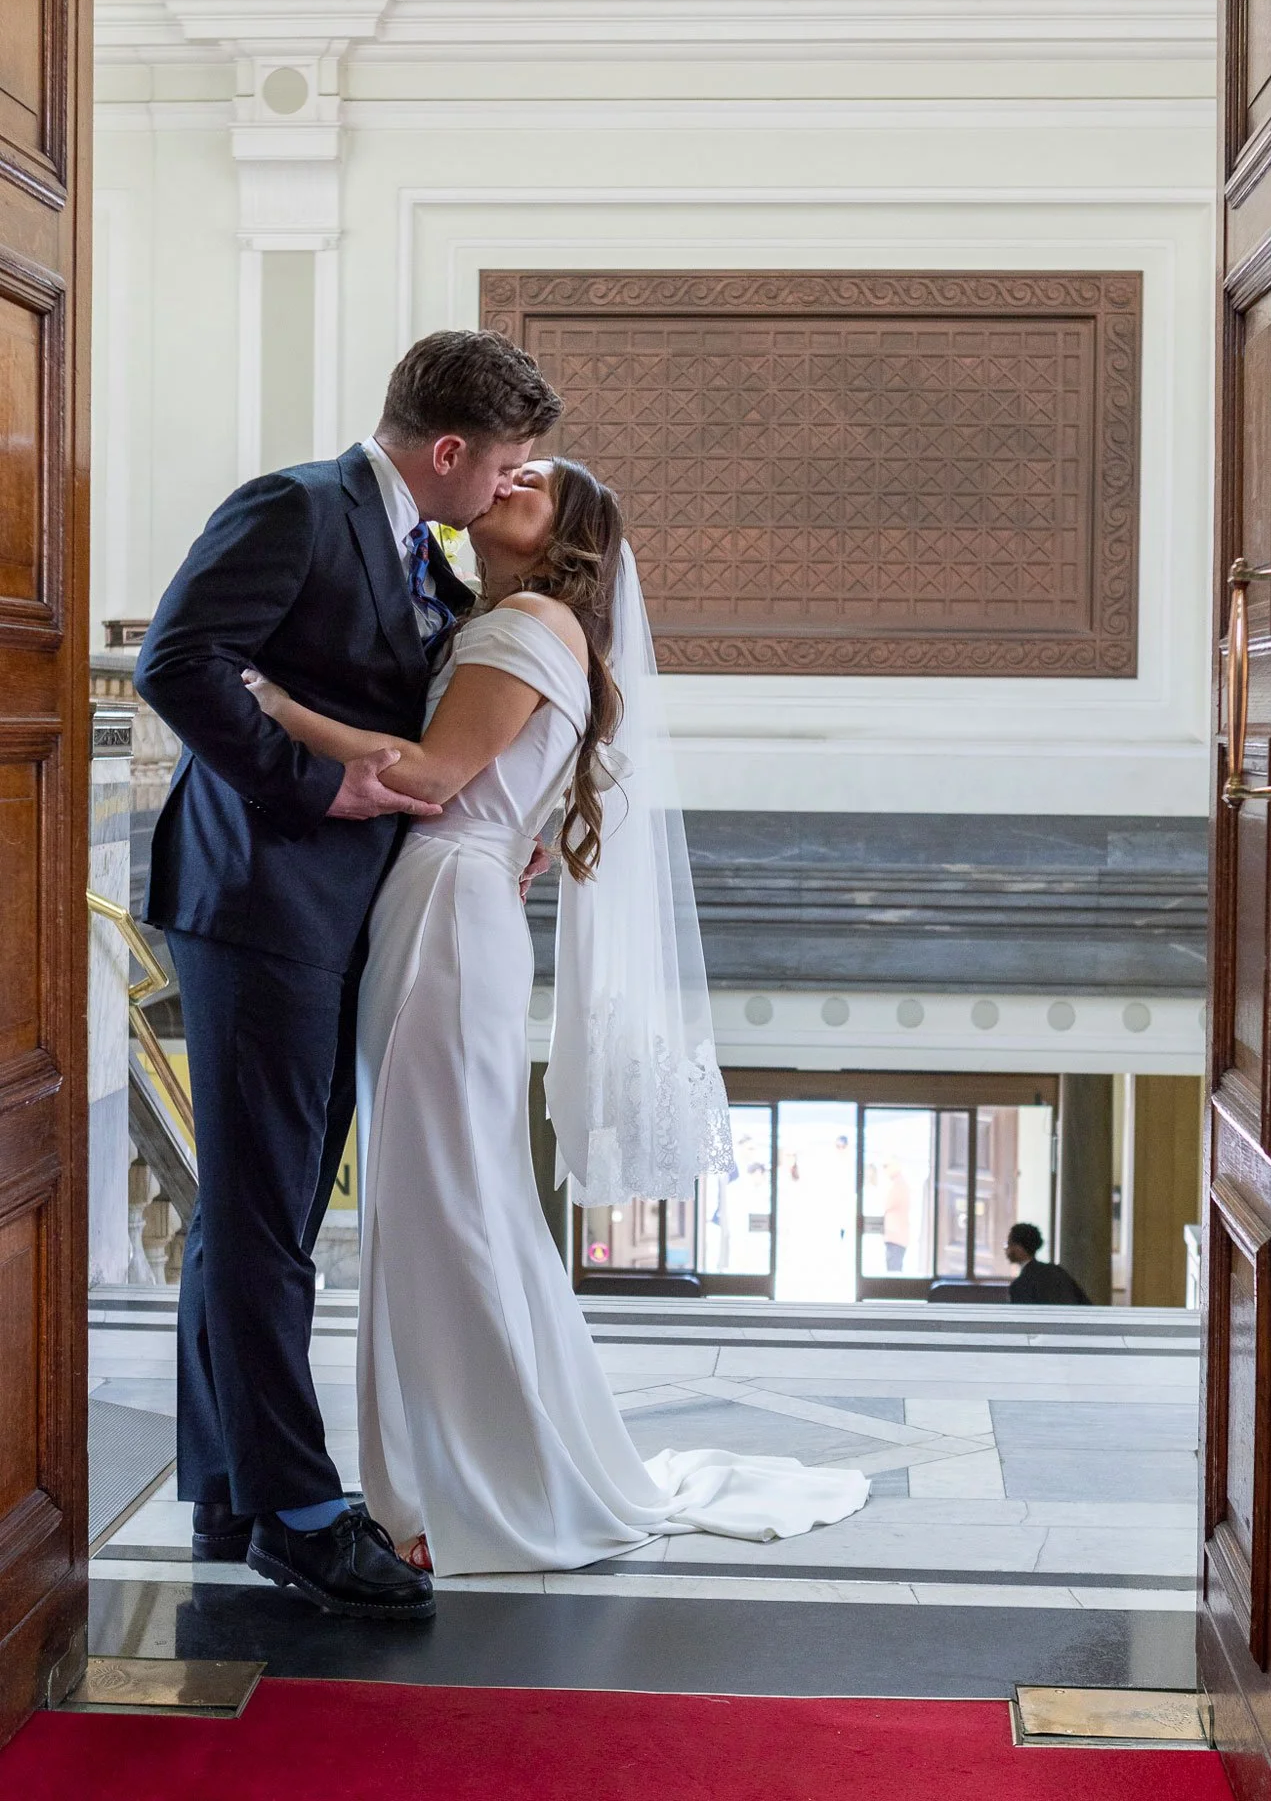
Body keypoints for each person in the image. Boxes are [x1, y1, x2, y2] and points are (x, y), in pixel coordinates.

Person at [247, 458, 871, 1575]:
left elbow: (432, 773)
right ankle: (469, 1466)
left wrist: (274, 704)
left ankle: (473, 1480)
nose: (512, 475)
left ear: (568, 531)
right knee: (454, 1193)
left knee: (441, 1201)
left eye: (537, 479)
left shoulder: (529, 620)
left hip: (444, 905)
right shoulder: (524, 622)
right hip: (455, 905)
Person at [133, 330, 561, 1618]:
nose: (506, 488)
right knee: (269, 1221)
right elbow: (175, 662)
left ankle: (226, 1483)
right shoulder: (296, 507)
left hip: (330, 911)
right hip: (258, 897)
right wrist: (320, 783)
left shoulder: (421, 549)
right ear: (447, 450)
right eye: (505, 465)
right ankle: (305, 1514)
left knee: (252, 1210)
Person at [1004, 1223, 1091, 1305]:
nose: (1006, 1249)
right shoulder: (1057, 1271)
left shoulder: (1021, 1284)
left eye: (1009, 1244)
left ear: (1019, 1248)